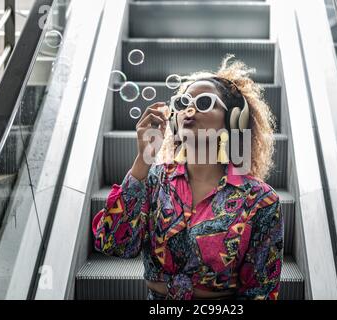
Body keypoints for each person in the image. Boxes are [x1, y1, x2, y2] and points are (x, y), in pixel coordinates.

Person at [92, 55, 283, 300]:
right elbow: (114, 245)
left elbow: (262, 292)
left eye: (204, 102)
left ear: (233, 120)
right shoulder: (153, 180)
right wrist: (143, 160)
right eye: (182, 103)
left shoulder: (261, 200)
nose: (189, 110)